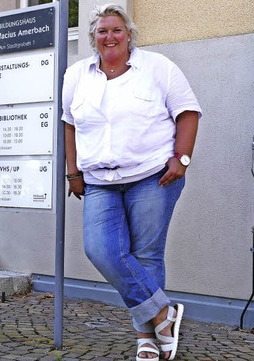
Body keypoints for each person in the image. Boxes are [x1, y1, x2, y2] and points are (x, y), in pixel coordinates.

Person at [61, 4, 201, 361]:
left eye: (116, 30)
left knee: (146, 254)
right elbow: (70, 125)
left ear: (129, 34)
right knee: (100, 249)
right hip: (99, 181)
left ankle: (147, 338)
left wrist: (182, 159)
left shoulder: (158, 67)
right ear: (93, 37)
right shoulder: (77, 75)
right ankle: (163, 313)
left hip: (153, 176)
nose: (109, 37)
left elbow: (187, 112)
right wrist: (73, 171)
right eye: (102, 31)